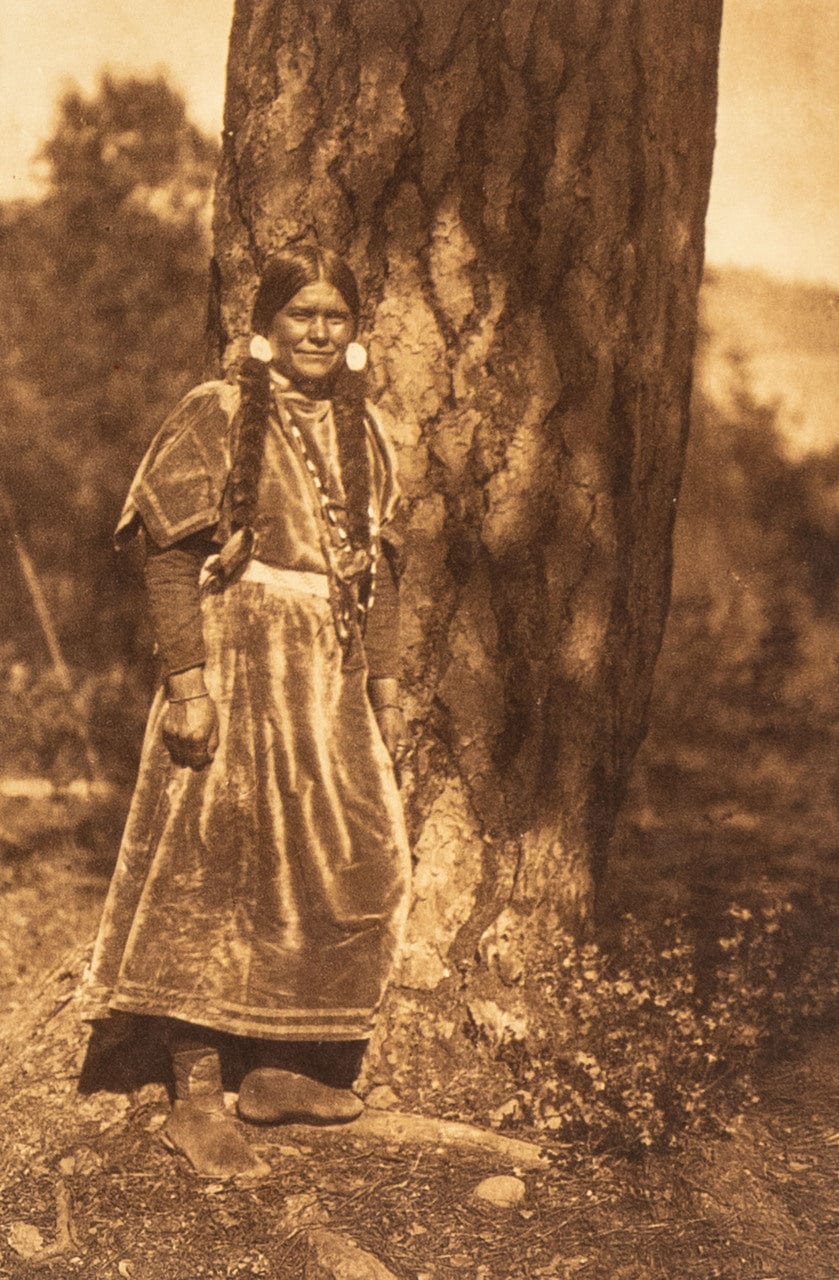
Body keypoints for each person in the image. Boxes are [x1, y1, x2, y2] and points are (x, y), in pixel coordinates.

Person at [79, 244, 412, 1179]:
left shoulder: (370, 431)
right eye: (300, 314)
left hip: (330, 681)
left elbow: (381, 578)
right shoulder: (217, 413)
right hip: (236, 664)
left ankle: (274, 1068)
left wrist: (383, 699)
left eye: (333, 316)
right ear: (266, 325)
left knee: (344, 863)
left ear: (353, 332)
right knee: (211, 870)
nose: (317, 331)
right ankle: (195, 1096)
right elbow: (166, 553)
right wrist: (189, 683)